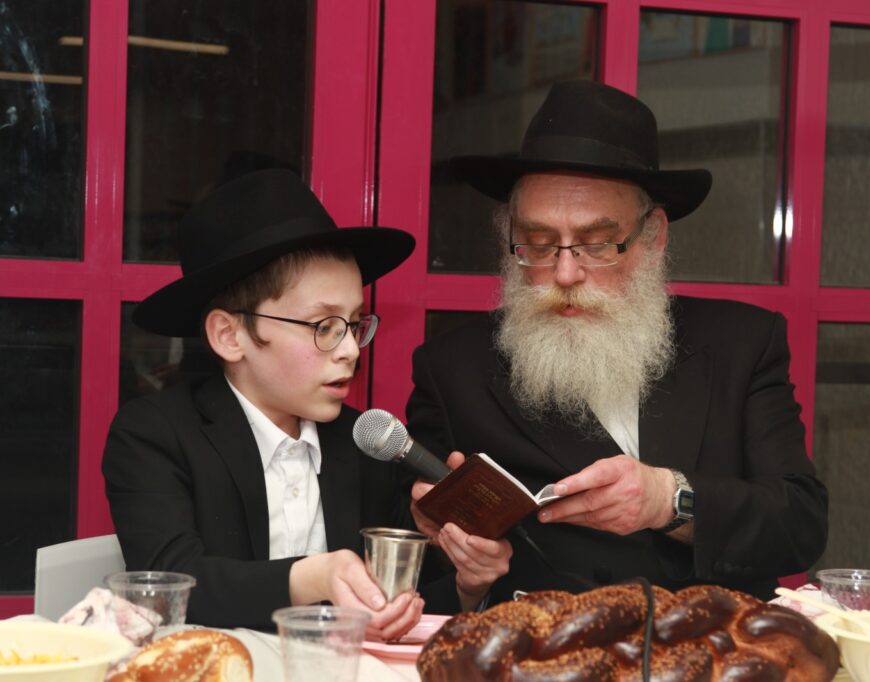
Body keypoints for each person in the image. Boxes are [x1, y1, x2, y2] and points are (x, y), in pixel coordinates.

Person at [406, 80, 829, 606]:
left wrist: (668, 499)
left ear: (654, 236)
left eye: (598, 244)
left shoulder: (741, 344)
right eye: (538, 243)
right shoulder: (454, 371)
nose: (565, 273)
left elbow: (800, 525)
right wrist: (467, 576)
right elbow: (417, 581)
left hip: (716, 642)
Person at [103, 169, 466, 633]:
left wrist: (466, 580)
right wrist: (312, 576)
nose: (351, 350)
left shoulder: (363, 444)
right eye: (324, 326)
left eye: (354, 324)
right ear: (230, 335)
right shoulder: (155, 433)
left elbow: (407, 601)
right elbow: (170, 583)